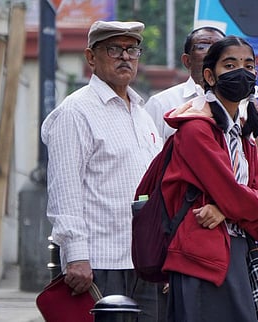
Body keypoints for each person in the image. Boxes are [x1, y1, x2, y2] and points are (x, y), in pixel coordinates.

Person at [41, 20, 163, 321]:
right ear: (91, 58)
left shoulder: (141, 112)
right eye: (114, 49)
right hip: (99, 262)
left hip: (144, 260)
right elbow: (65, 190)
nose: (125, 57)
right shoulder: (75, 112)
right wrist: (77, 256)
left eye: (132, 49)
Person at [161, 36, 258, 322]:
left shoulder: (243, 129)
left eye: (248, 65)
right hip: (203, 258)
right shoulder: (196, 130)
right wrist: (250, 203)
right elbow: (241, 198)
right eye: (230, 64)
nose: (241, 71)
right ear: (209, 75)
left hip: (236, 251)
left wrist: (225, 209)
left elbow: (253, 197)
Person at [144, 26, 225, 141]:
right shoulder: (161, 104)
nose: (212, 52)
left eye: (218, 47)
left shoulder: (236, 104)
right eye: (202, 46)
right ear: (187, 61)